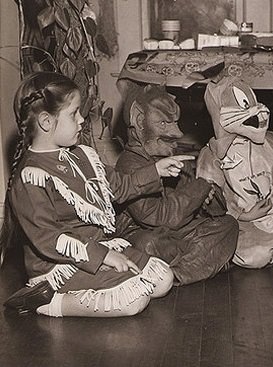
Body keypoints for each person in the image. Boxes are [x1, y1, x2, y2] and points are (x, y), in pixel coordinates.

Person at [0, 71, 191, 317]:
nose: (81, 120)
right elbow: (50, 240)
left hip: (97, 247)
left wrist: (156, 170)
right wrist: (104, 257)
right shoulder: (32, 177)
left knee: (163, 279)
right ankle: (48, 302)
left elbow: (118, 186)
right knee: (134, 300)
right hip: (60, 265)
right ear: (46, 122)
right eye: (73, 114)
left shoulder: (82, 155)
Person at [115, 83, 238, 286]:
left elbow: (213, 210)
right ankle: (196, 265)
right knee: (147, 244)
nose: (177, 133)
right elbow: (157, 218)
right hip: (144, 233)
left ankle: (175, 273)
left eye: (175, 123)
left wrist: (209, 194)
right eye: (163, 124)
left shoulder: (171, 154)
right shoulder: (129, 164)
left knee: (228, 225)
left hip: (176, 232)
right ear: (139, 122)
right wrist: (197, 190)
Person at [196, 75, 273, 269]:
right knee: (256, 256)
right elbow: (210, 202)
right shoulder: (211, 156)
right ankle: (271, 252)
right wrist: (242, 215)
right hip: (243, 222)